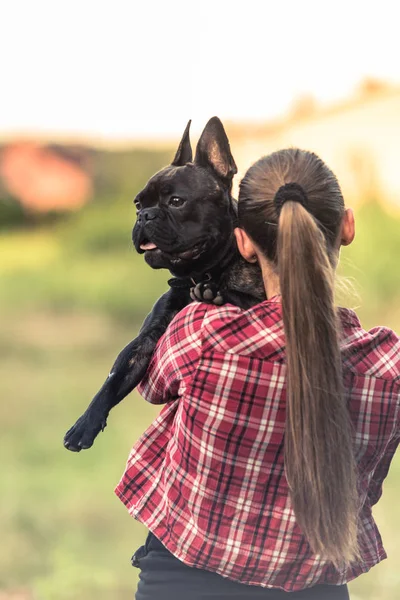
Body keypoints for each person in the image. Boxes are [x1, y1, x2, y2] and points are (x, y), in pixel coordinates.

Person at [115, 148, 400, 599]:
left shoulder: (202, 333)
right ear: (347, 227)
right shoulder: (388, 365)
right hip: (317, 589)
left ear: (242, 240)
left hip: (182, 584)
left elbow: (150, 384)